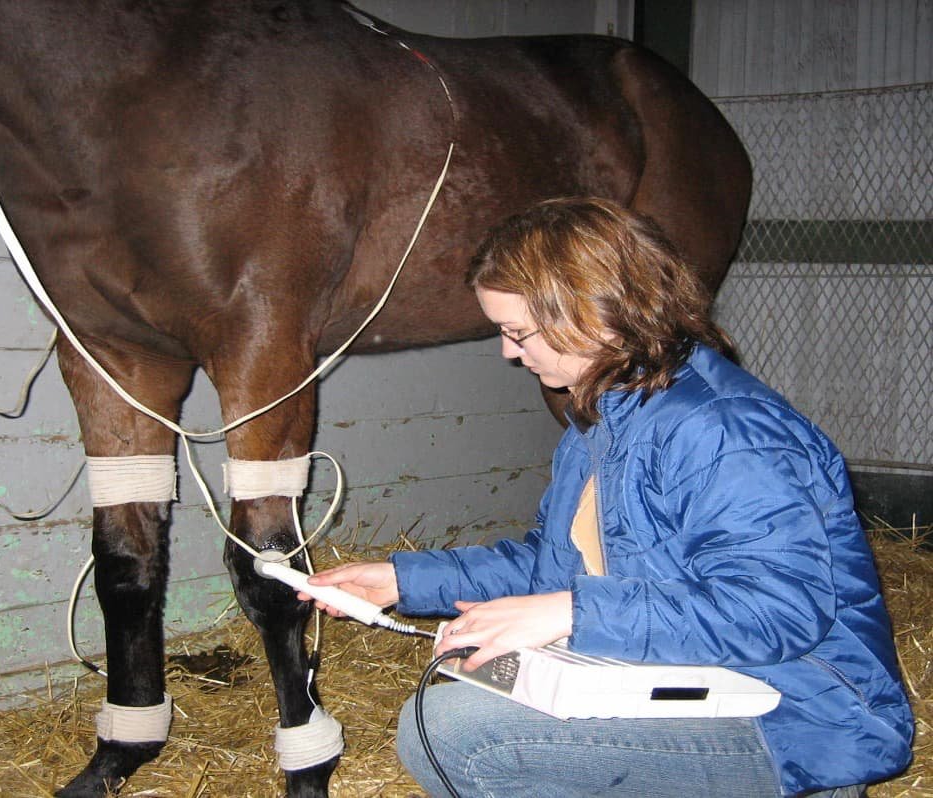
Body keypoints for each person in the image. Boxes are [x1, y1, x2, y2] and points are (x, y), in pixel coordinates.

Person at [301, 197, 913, 797]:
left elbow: (777, 611)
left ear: (591, 312)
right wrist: (401, 580)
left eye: (518, 331)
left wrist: (572, 614)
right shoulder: (601, 420)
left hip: (795, 711)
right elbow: (550, 562)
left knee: (464, 734)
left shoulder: (728, 432)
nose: (508, 353)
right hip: (689, 677)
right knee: (462, 705)